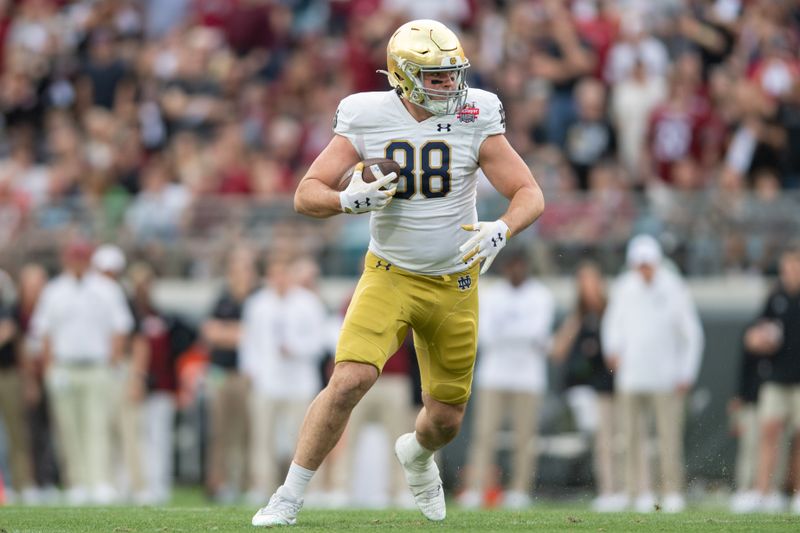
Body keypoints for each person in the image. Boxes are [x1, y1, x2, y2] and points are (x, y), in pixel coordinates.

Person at [251, 19, 544, 526]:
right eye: (436, 77)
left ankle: (416, 453)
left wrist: (502, 228)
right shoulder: (367, 114)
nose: (450, 86)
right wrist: (346, 200)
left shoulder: (477, 113)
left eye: (454, 74)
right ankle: (288, 495)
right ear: (403, 77)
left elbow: (530, 193)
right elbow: (306, 193)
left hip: (456, 281)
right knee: (348, 381)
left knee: (446, 421)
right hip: (390, 273)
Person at [601, 235, 704, 513]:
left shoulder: (674, 287)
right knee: (630, 438)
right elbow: (612, 325)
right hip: (631, 377)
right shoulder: (624, 287)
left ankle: (672, 491)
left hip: (665, 378)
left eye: (648, 264)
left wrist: (686, 372)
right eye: (639, 265)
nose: (644, 270)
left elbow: (692, 334)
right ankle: (635, 491)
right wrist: (613, 351)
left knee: (668, 437)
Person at [31, 240, 134, 505]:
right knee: (68, 428)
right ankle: (76, 482)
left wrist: (114, 363)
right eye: (74, 258)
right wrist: (51, 368)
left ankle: (99, 482)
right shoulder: (54, 291)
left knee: (98, 425)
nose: (78, 263)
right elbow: (44, 332)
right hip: (65, 366)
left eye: (82, 258)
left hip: (97, 366)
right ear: (67, 260)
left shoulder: (106, 289)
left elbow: (120, 328)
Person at [458, 251, 555, 509]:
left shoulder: (541, 295)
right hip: (494, 376)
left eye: (519, 266)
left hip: (528, 378)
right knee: (484, 435)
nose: (515, 271)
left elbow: (538, 333)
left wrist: (510, 333)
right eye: (511, 266)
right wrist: (520, 335)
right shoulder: (492, 294)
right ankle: (476, 488)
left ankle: (520, 490)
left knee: (524, 438)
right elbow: (485, 334)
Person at [239, 255, 328, 503]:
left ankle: (310, 489)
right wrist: (250, 369)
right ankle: (261, 486)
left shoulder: (308, 303)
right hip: (267, 381)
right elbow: (249, 342)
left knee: (305, 439)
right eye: (274, 274)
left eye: (283, 273)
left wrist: (295, 348)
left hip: (299, 383)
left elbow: (320, 342)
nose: (279, 279)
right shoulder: (257, 304)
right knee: (262, 438)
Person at [551, 261, 623, 512]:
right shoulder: (579, 317)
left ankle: (625, 488)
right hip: (588, 391)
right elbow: (557, 351)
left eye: (591, 281)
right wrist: (577, 318)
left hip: (613, 385)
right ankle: (608, 489)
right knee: (603, 439)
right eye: (582, 283)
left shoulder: (612, 312)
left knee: (619, 438)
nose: (588, 288)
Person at [738, 246, 800, 514]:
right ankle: (764, 492)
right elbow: (754, 334)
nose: (791, 273)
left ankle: (797, 494)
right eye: (787, 267)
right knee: (768, 432)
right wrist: (755, 339)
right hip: (775, 378)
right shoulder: (775, 297)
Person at [202, 246, 257, 502]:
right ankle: (219, 483)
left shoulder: (258, 298)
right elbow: (211, 333)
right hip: (222, 373)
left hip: (248, 375)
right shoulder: (222, 298)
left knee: (248, 431)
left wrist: (231, 332)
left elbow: (258, 335)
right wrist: (241, 333)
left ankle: (246, 484)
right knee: (220, 431)